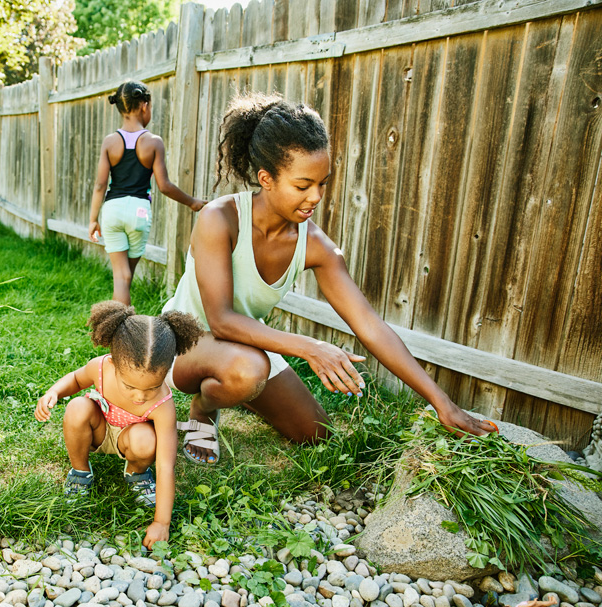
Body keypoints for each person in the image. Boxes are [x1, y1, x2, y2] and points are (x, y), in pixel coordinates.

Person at [163, 93, 497, 464]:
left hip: (245, 348)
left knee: (317, 434)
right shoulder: (219, 219)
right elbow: (221, 320)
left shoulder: (317, 247)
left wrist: (442, 403)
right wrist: (309, 347)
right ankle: (205, 408)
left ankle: (234, 387)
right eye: (303, 185)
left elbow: (370, 325)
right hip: (184, 342)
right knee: (249, 370)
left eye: (322, 184)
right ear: (266, 179)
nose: (316, 197)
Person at [35, 301, 203, 547]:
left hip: (131, 439)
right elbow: (75, 378)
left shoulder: (163, 406)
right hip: (99, 430)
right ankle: (80, 472)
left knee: (146, 441)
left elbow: (166, 466)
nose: (139, 396)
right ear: (113, 365)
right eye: (130, 386)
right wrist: (54, 392)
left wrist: (161, 523)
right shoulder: (101, 368)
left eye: (152, 387)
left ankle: (137, 474)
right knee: (77, 407)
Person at [89, 81, 207, 306]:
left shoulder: (110, 142)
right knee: (126, 278)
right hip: (139, 212)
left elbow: (99, 185)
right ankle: (121, 332)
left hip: (112, 211)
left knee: (121, 278)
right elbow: (164, 186)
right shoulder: (153, 142)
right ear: (144, 105)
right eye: (150, 107)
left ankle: (113, 329)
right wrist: (192, 202)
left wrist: (93, 219)